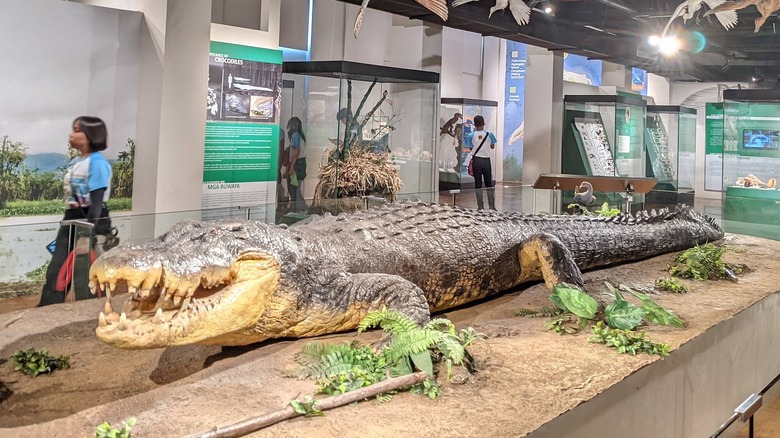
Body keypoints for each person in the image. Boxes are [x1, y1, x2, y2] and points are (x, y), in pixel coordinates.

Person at [38, 116, 113, 306]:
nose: (71, 135)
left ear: (90, 136)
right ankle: (48, 308)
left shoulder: (97, 163)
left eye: (77, 130)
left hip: (90, 218)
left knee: (85, 272)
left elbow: (96, 201)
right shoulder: (77, 162)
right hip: (72, 218)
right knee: (57, 269)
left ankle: (90, 311)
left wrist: (87, 232)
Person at [464, 115, 498, 210]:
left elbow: (471, 148)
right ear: (484, 124)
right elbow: (492, 146)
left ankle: (480, 206)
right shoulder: (489, 134)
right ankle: (491, 205)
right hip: (486, 160)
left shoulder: (471, 135)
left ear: (474, 124)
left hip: (476, 160)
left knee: (478, 184)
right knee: (489, 184)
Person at [284, 116, 308, 212]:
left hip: (297, 163)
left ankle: (301, 208)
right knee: (296, 187)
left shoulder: (295, 135)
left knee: (294, 187)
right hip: (301, 163)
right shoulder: (300, 135)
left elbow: (296, 151)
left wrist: (291, 167)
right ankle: (299, 208)